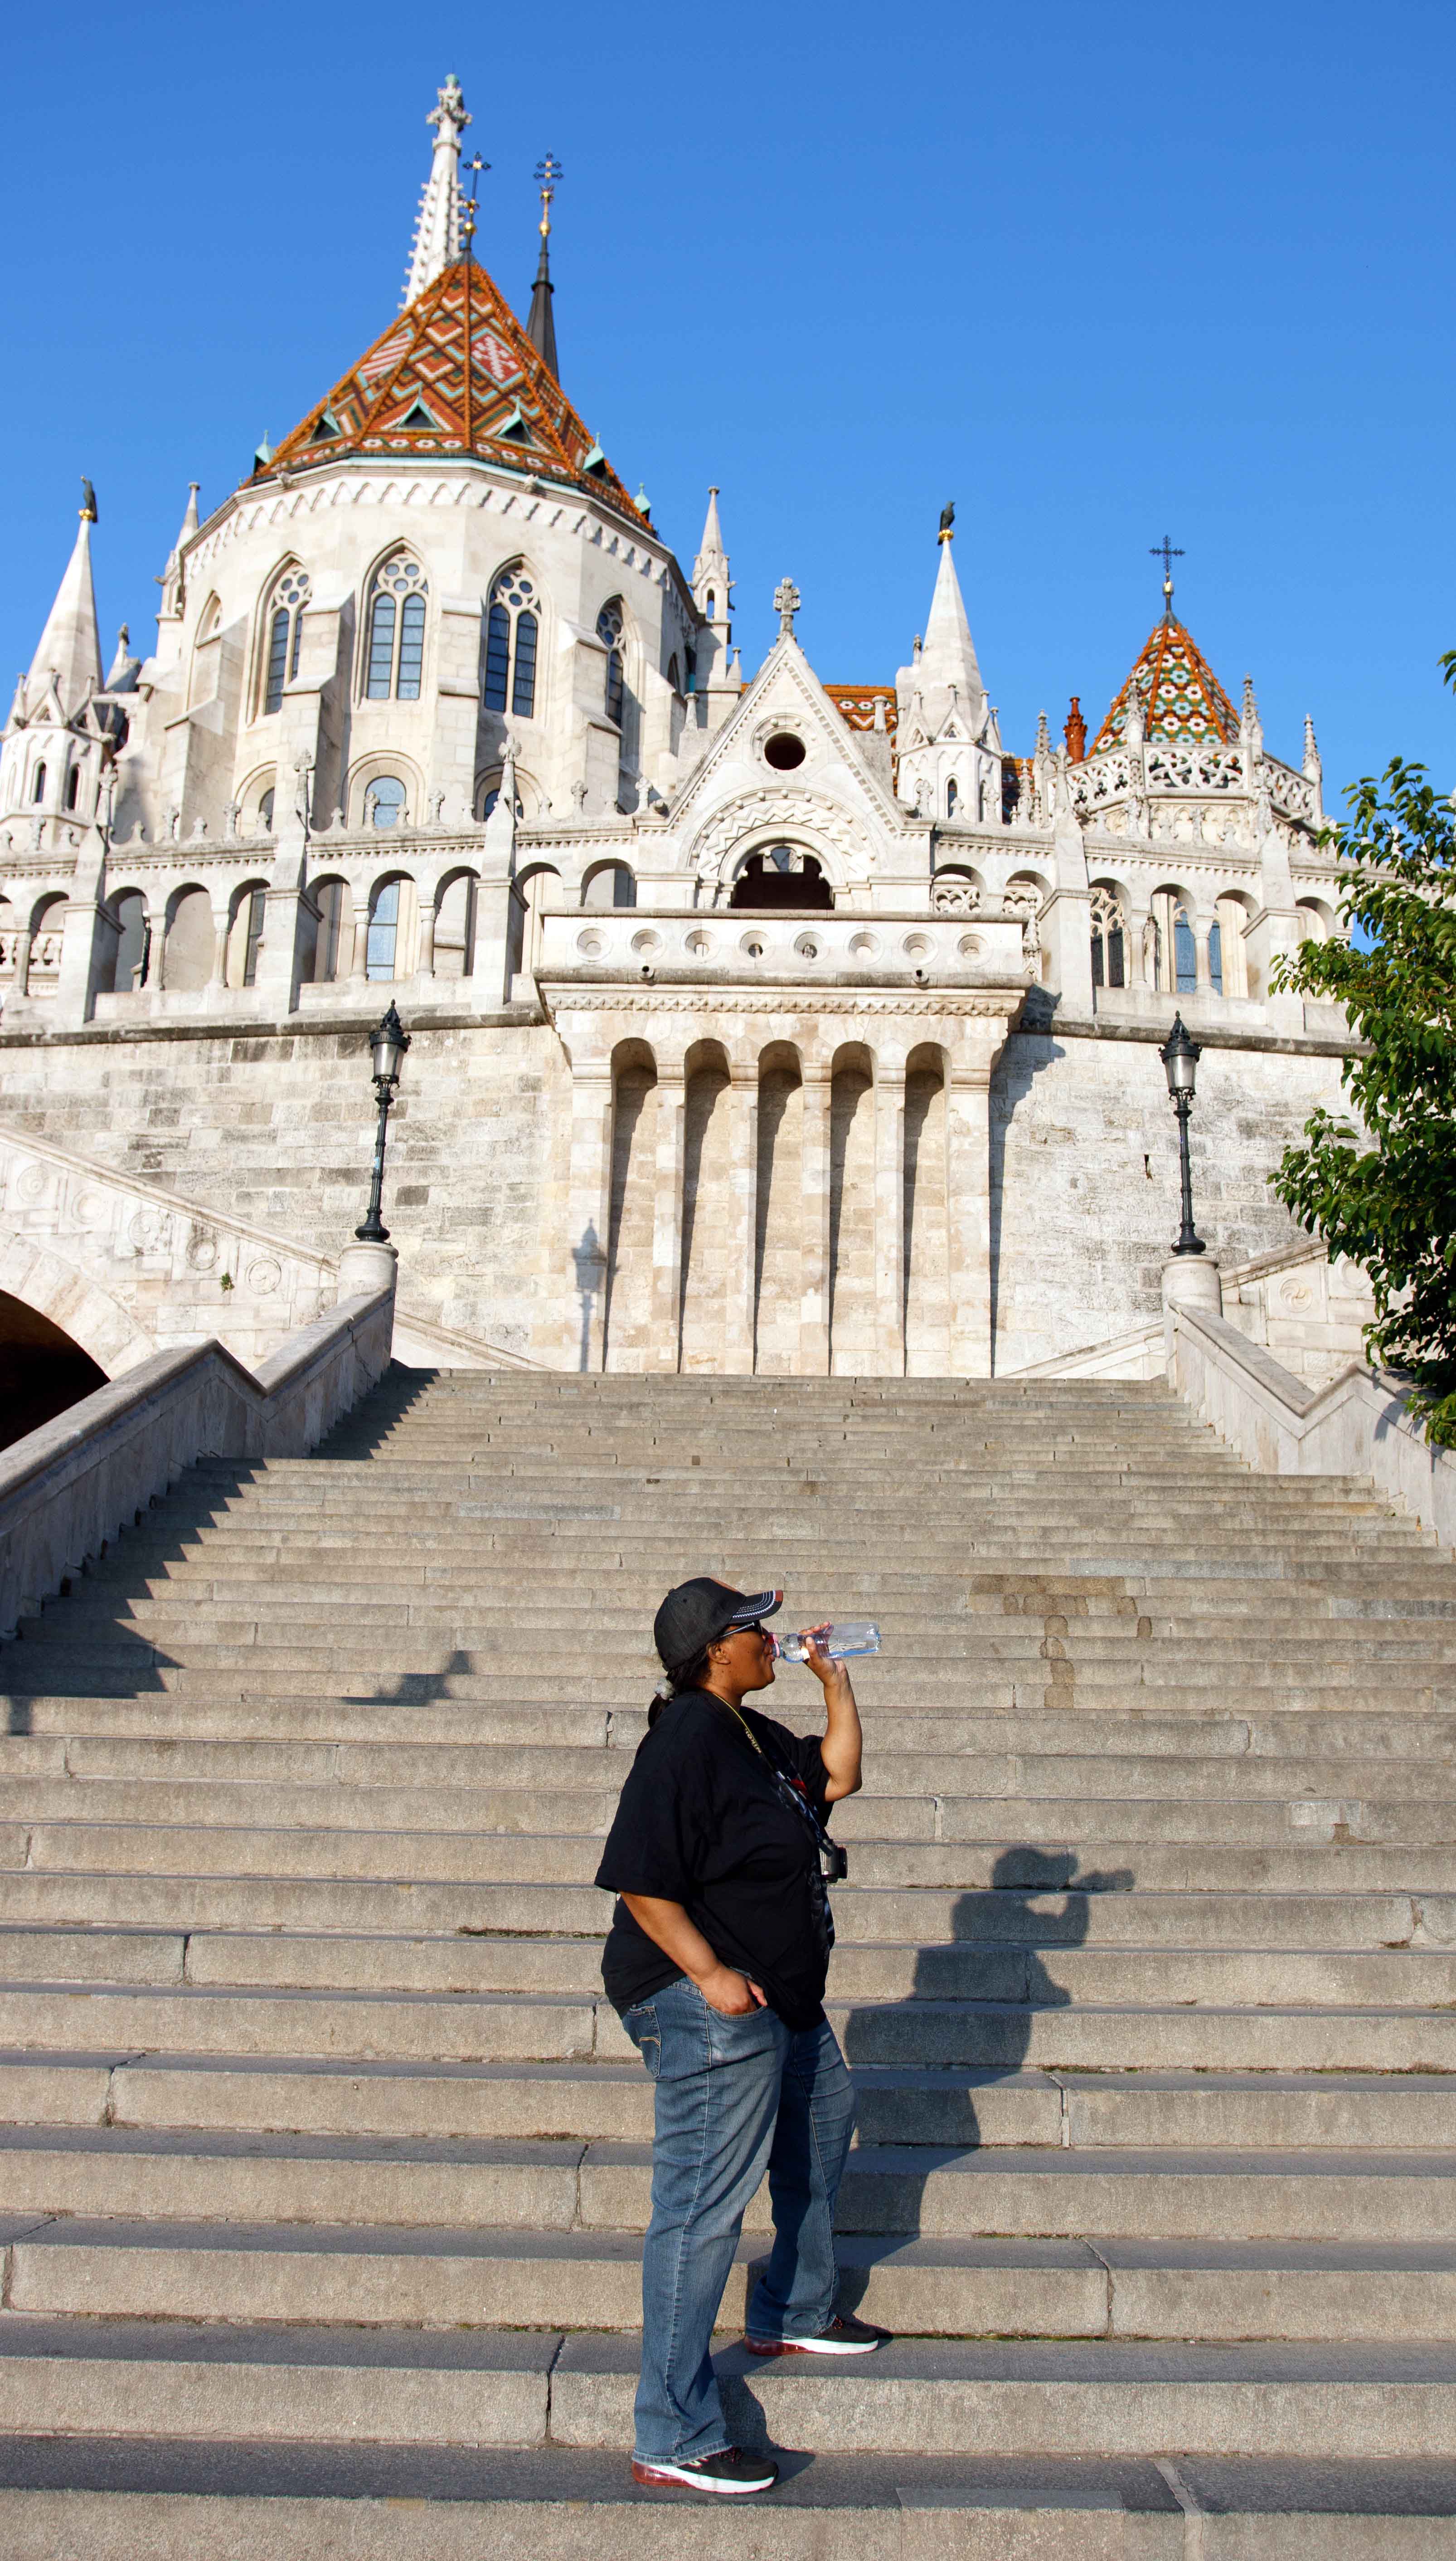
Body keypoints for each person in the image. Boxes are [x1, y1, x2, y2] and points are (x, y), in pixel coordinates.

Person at [595, 1575, 887, 2498]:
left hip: (784, 1997)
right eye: (754, 1628)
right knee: (700, 2206)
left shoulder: (748, 1734)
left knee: (824, 2118)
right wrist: (712, 1977)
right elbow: (639, 1877)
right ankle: (674, 2430)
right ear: (715, 1650)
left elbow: (838, 1776)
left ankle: (794, 2306)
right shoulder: (684, 1738)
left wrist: (835, 1684)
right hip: (703, 1999)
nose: (772, 1639)